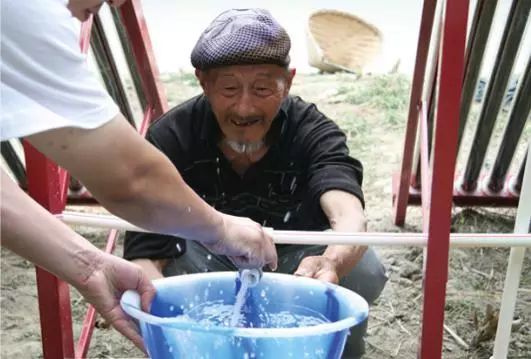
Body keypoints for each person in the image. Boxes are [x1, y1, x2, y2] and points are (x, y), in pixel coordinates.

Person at [0, 0, 277, 352]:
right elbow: (130, 179)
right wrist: (220, 230)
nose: (118, 3)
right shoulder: (26, 9)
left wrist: (88, 264)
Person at [124, 8, 387, 358]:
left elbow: (348, 213)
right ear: (203, 82)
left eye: (263, 88)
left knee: (364, 267)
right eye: (229, 88)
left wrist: (333, 262)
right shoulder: (171, 137)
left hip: (295, 265)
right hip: (204, 260)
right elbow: (144, 251)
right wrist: (171, 323)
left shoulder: (312, 131)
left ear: (288, 81)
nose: (245, 108)